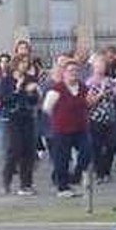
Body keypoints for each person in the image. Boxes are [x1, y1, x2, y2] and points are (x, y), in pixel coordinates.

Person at [42, 59, 91, 198]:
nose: (73, 74)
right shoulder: (57, 89)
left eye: (76, 71)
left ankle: (76, 176)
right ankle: (63, 188)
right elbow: (47, 108)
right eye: (70, 71)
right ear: (64, 73)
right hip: (62, 130)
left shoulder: (83, 87)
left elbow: (86, 103)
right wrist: (58, 118)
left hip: (80, 128)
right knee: (62, 159)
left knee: (87, 150)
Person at [0, 59, 41, 196]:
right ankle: (6, 181)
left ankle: (26, 184)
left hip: (27, 117)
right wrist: (17, 88)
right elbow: (4, 99)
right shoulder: (7, 80)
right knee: (15, 149)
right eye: (22, 63)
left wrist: (31, 93)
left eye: (26, 63)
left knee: (28, 150)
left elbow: (34, 100)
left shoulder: (30, 79)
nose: (25, 65)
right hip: (13, 117)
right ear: (16, 65)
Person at [86, 54, 116, 183]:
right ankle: (99, 172)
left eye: (103, 65)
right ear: (93, 66)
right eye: (98, 65)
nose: (101, 67)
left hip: (110, 118)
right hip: (95, 118)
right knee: (97, 146)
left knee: (112, 145)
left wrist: (115, 95)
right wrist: (100, 95)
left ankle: (106, 170)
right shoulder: (89, 83)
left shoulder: (111, 82)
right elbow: (88, 103)